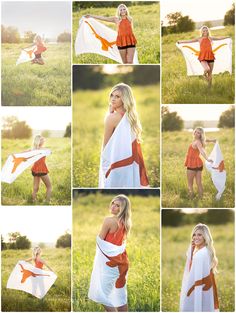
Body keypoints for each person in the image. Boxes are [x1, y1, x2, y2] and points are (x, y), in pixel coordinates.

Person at [99, 83, 149, 188]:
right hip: (131, 162)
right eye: (112, 95)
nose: (113, 99)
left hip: (117, 161)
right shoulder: (131, 117)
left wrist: (109, 115)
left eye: (117, 97)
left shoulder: (111, 118)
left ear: (125, 99)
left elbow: (106, 146)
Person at [89, 195, 131, 312]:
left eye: (118, 206)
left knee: (100, 294)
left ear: (122, 208)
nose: (113, 206)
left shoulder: (109, 220)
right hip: (122, 263)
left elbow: (100, 240)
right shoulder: (126, 222)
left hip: (110, 263)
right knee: (119, 295)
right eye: (113, 203)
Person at [180, 223, 219, 312]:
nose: (195, 237)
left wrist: (190, 291)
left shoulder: (201, 254)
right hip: (205, 289)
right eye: (194, 234)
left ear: (205, 236)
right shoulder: (206, 251)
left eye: (199, 235)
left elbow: (198, 279)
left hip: (199, 288)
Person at [185, 127, 216, 199]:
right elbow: (205, 140)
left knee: (190, 183)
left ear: (201, 135)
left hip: (192, 164)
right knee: (199, 183)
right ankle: (201, 198)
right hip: (198, 164)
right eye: (196, 131)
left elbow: (202, 151)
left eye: (198, 133)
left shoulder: (197, 142)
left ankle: (191, 198)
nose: (196, 133)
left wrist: (207, 159)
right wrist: (212, 140)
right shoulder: (199, 141)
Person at [31, 135, 52, 203]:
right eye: (42, 140)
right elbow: (50, 152)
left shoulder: (33, 150)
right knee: (49, 187)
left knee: (35, 188)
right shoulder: (44, 149)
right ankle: (47, 201)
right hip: (42, 169)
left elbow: (24, 154)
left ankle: (34, 201)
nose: (44, 141)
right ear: (40, 141)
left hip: (35, 169)